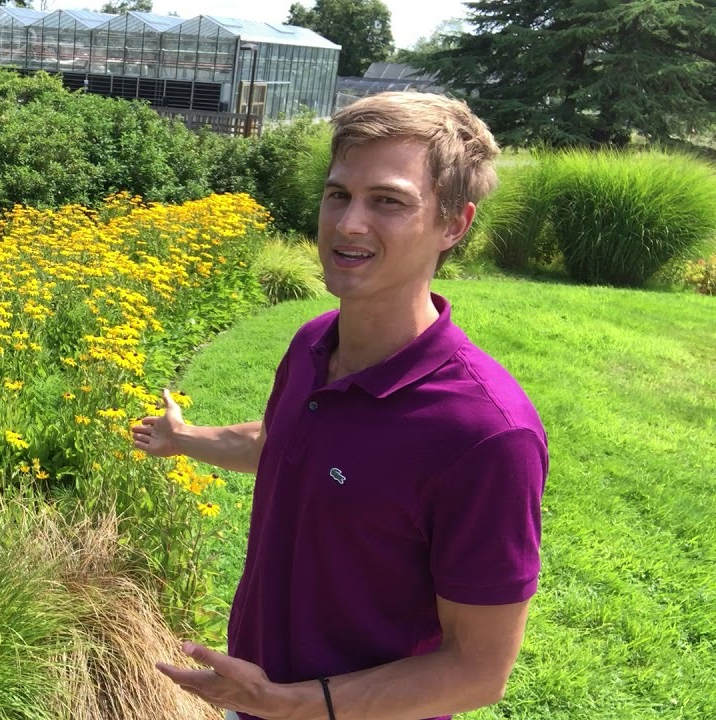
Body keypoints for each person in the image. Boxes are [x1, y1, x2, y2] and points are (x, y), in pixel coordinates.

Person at [138, 92, 548, 720]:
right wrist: (185, 437)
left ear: (453, 224)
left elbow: (478, 669)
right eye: (338, 195)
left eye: (387, 201)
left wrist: (293, 705)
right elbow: (285, 446)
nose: (349, 223)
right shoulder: (313, 344)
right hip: (257, 696)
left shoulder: (485, 433)